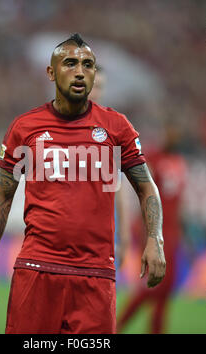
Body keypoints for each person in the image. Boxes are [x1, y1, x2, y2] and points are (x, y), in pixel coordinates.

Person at [0, 33, 166, 334]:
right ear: (51, 73)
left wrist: (155, 239)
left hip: (95, 277)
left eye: (88, 65)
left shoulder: (117, 128)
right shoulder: (25, 128)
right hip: (36, 272)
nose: (80, 71)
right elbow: (2, 197)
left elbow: (146, 187)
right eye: (70, 63)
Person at [116, 123, 187, 334]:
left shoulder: (180, 163)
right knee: (152, 286)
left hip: (172, 234)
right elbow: (144, 192)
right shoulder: (154, 158)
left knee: (164, 291)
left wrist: (182, 232)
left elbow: (179, 203)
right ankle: (114, 327)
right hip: (152, 230)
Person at [89, 66, 131, 268]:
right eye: (92, 85)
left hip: (101, 240)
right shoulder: (59, 126)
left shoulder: (112, 130)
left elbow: (118, 189)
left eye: (99, 87)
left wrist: (124, 237)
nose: (94, 92)